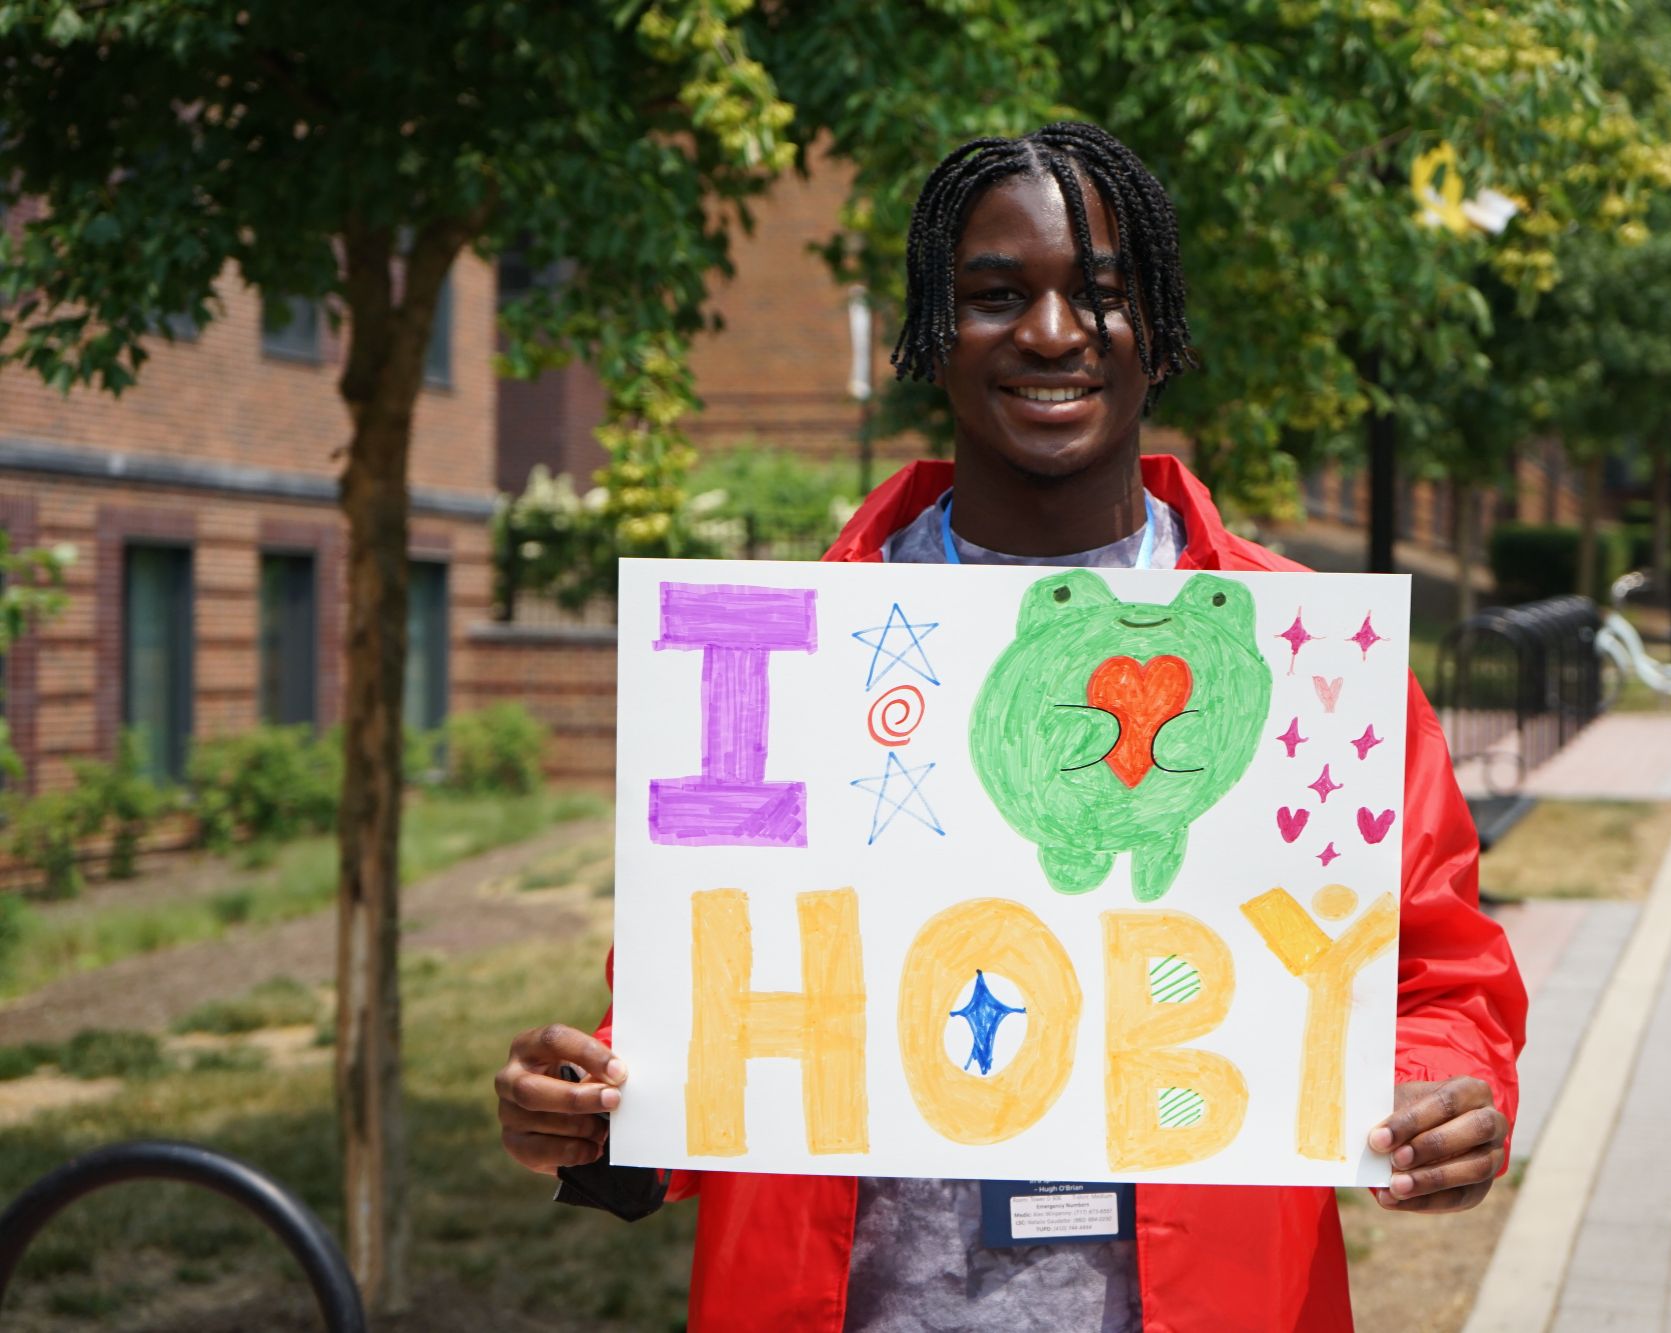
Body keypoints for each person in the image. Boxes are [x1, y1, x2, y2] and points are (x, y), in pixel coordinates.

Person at [492, 123, 1526, 1333]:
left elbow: (1439, 974)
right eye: (994, 295)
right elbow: (703, 1009)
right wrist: (588, 1106)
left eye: (1099, 295)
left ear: (1160, 332)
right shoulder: (775, 660)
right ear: (931, 332)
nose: (1048, 332)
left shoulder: (1306, 662)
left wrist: (1429, 1097)